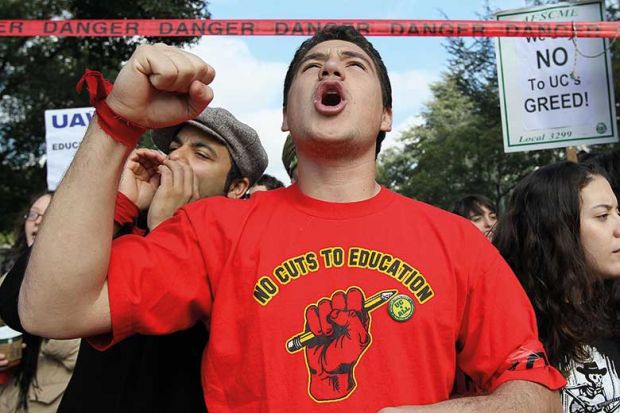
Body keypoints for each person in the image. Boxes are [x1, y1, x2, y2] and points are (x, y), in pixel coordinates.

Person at [20, 26, 565, 412]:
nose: (331, 66)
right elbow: (52, 307)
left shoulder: (457, 242)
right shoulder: (217, 229)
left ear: (386, 116)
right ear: (285, 116)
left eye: (355, 65)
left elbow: (535, 389)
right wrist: (118, 122)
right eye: (312, 66)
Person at [1, 107, 267, 413]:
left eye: (201, 155)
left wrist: (168, 232)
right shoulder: (122, 225)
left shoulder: (243, 252)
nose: (177, 158)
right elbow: (16, 304)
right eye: (173, 147)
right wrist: (119, 207)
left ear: (236, 187)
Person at [493, 161, 620, 413]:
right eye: (602, 216)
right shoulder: (514, 330)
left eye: (619, 213)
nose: (617, 228)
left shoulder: (612, 307)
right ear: (557, 229)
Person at [0, 191, 80, 413]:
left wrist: (41, 318)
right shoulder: (6, 285)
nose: (36, 221)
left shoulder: (85, 284)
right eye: (33, 214)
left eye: (48, 214)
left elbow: (82, 359)